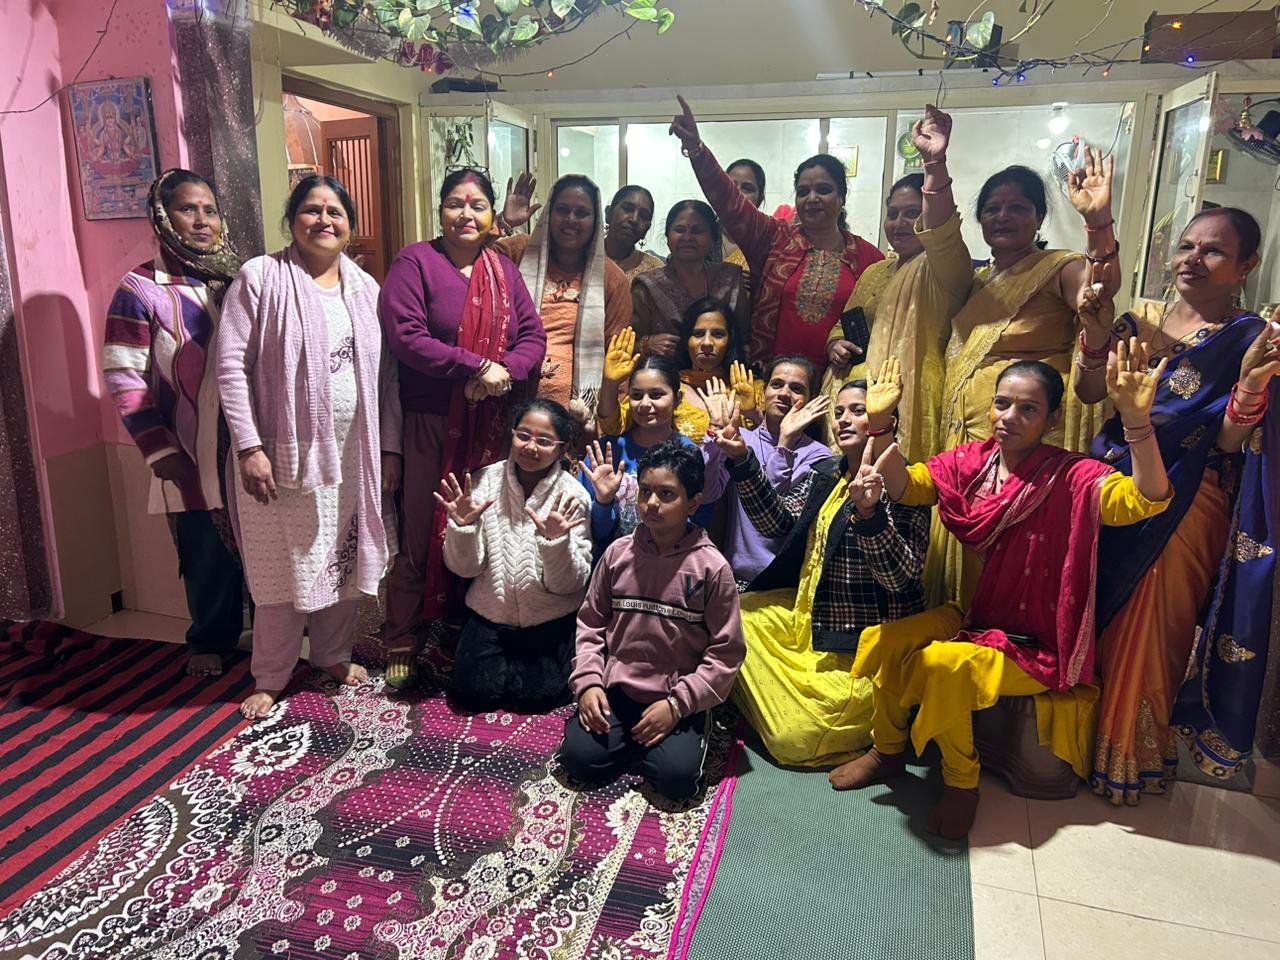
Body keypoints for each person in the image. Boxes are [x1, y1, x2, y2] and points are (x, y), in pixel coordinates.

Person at [831, 355, 1172, 838]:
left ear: (1052, 419)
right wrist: (882, 423)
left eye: (1028, 408)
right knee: (886, 640)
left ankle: (961, 784)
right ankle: (887, 751)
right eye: (1002, 403)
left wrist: (1136, 421)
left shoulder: (1072, 476)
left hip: (1036, 643)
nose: (1009, 416)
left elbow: (1147, 499)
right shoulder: (968, 464)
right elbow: (905, 486)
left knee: (941, 664)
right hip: (974, 619)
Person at [1075, 207, 1280, 803]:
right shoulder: (1141, 319)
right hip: (1113, 484)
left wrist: (1250, 386)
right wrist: (1095, 337)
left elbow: (1229, 441)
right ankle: (1075, 740)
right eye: (1187, 245)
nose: (1193, 259)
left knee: (1149, 624)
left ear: (1246, 265)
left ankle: (1130, 753)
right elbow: (1089, 391)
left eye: (1213, 251)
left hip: (1187, 498)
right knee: (1096, 608)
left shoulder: (1251, 338)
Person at [908, 105, 1122, 607]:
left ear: (1039, 218)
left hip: (1025, 445)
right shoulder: (976, 280)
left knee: (1014, 563)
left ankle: (1008, 646)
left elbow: (1097, 292)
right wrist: (934, 164)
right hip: (967, 439)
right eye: (992, 208)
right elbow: (940, 240)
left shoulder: (1058, 267)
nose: (1003, 216)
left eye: (1018, 207)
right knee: (962, 560)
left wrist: (1097, 222)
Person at [217, 175, 403, 719]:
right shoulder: (260, 278)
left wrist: (389, 449)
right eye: (312, 210)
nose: (324, 220)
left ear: (350, 226)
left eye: (335, 212)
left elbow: (388, 379)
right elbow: (230, 366)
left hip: (353, 456)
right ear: (292, 220)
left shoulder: (366, 289)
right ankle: (270, 675)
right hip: (281, 459)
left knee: (344, 559)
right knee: (283, 571)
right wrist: (248, 447)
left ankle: (331, 655)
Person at [378, 167, 546, 688]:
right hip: (431, 420)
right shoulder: (415, 263)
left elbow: (533, 338)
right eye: (455, 203)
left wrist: (501, 376)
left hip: (490, 421)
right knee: (422, 522)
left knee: (480, 522)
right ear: (440, 210)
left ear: (492, 215)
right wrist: (473, 368)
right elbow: (406, 336)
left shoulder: (503, 269)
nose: (465, 214)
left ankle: (460, 619)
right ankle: (404, 634)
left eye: (477, 205)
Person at [707, 378, 930, 766]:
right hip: (810, 622)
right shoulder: (830, 471)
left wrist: (870, 515)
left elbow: (902, 578)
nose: (843, 419)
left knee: (792, 741)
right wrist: (741, 458)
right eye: (838, 412)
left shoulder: (904, 483)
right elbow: (778, 522)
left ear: (886, 421)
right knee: (730, 611)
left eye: (858, 411)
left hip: (860, 649)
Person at [104, 168, 245, 677]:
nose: (202, 220)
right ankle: (209, 638)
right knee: (205, 548)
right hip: (188, 446)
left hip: (247, 442)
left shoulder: (238, 278)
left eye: (210, 210)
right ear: (162, 217)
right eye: (188, 209)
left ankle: (269, 634)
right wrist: (158, 447)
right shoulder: (141, 288)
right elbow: (124, 374)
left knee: (259, 541)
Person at [560, 439, 745, 802]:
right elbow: (591, 623)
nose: (652, 504)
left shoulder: (711, 568)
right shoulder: (617, 554)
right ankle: (633, 737)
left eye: (667, 494)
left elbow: (727, 652)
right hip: (619, 690)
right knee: (578, 760)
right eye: (645, 491)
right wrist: (589, 684)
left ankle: (684, 729)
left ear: (693, 503)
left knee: (675, 781)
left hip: (676, 695)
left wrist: (678, 705)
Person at [670, 96, 885, 372]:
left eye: (824, 190)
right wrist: (696, 149)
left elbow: (881, 322)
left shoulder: (868, 258)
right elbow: (729, 201)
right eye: (803, 191)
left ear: (842, 197)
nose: (812, 198)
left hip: (837, 382)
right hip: (773, 380)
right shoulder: (773, 238)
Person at [438, 399, 592, 713]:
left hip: (548, 618)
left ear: (562, 448)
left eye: (544, 441)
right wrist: (463, 527)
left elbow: (570, 584)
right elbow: (464, 569)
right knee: (471, 694)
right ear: (512, 434)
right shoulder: (483, 482)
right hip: (489, 613)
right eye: (524, 435)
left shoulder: (573, 496)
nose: (531, 447)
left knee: (539, 698)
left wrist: (556, 543)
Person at [820, 168, 973, 459]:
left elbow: (944, 234)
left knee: (898, 474)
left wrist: (935, 165)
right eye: (893, 214)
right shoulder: (874, 271)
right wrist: (835, 343)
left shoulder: (942, 268)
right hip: (854, 397)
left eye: (912, 213)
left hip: (909, 391)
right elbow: (845, 320)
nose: (899, 223)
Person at [498, 172, 632, 429]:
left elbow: (617, 355)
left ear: (596, 221)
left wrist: (608, 421)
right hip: (508, 401)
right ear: (548, 214)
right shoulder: (518, 252)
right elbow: (467, 263)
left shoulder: (612, 278)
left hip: (575, 418)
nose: (571, 219)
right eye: (562, 210)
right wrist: (504, 222)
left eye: (582, 213)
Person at [698, 359, 830, 585]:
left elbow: (768, 511)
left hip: (785, 583)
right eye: (777, 384)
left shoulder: (818, 454)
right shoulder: (740, 438)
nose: (784, 394)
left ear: (810, 400)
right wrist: (715, 428)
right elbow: (708, 493)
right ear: (764, 392)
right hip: (736, 577)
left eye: (796, 388)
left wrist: (785, 443)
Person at [581, 355, 726, 547]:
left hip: (672, 561)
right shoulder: (606, 452)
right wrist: (603, 502)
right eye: (636, 395)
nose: (644, 404)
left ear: (678, 399)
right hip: (613, 562)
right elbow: (592, 532)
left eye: (656, 395)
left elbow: (699, 523)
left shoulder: (689, 453)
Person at [597, 300, 751, 443]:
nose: (707, 343)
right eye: (698, 334)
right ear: (686, 341)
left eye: (718, 334)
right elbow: (612, 427)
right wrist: (610, 384)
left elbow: (763, 446)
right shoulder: (665, 386)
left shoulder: (749, 389)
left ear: (730, 340)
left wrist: (753, 414)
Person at [631, 200, 747, 356]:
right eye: (680, 230)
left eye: (697, 231)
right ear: (667, 237)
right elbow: (625, 343)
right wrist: (647, 345)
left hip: (722, 370)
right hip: (662, 369)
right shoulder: (647, 286)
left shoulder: (729, 279)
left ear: (713, 239)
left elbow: (744, 338)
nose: (687, 237)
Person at [603, 184, 664, 281]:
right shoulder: (582, 256)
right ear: (608, 213)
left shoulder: (655, 271)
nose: (634, 220)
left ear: (647, 228)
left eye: (643, 216)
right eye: (627, 209)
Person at [721, 158, 766, 274]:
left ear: (760, 197)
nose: (737, 193)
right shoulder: (704, 232)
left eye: (747, 188)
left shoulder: (767, 240)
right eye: (730, 186)